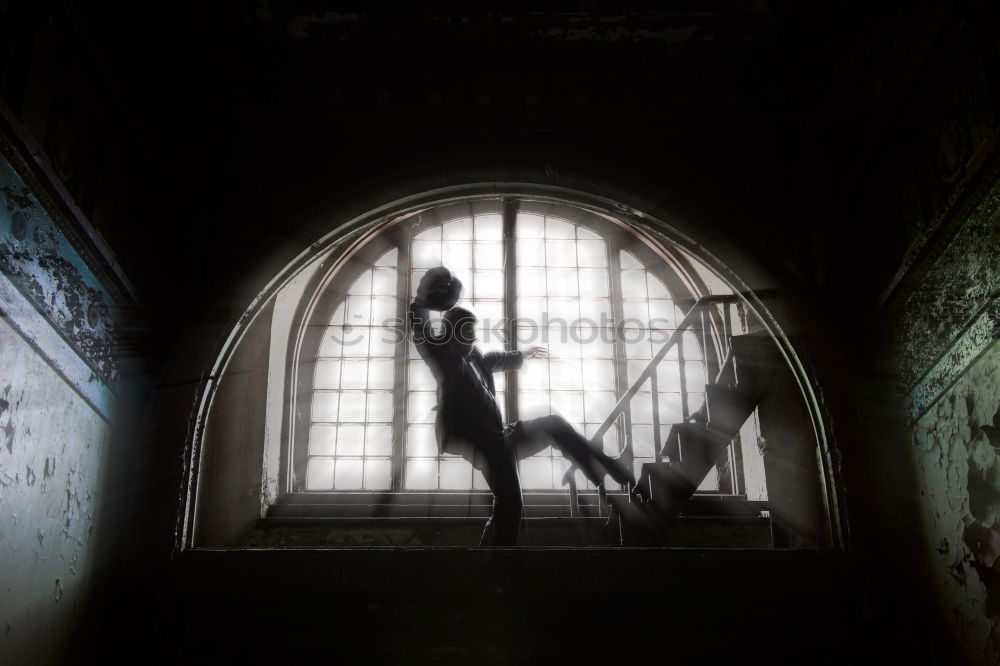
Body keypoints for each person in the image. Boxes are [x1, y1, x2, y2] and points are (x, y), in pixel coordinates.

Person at [407, 266, 635, 546]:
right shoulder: (446, 359)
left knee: (553, 424)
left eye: (473, 335)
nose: (472, 341)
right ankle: (497, 564)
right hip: (479, 441)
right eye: (466, 335)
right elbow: (423, 335)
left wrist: (522, 356)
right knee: (510, 501)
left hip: (499, 437)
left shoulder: (474, 357)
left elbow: (492, 359)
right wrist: (419, 302)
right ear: (450, 336)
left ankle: (609, 469)